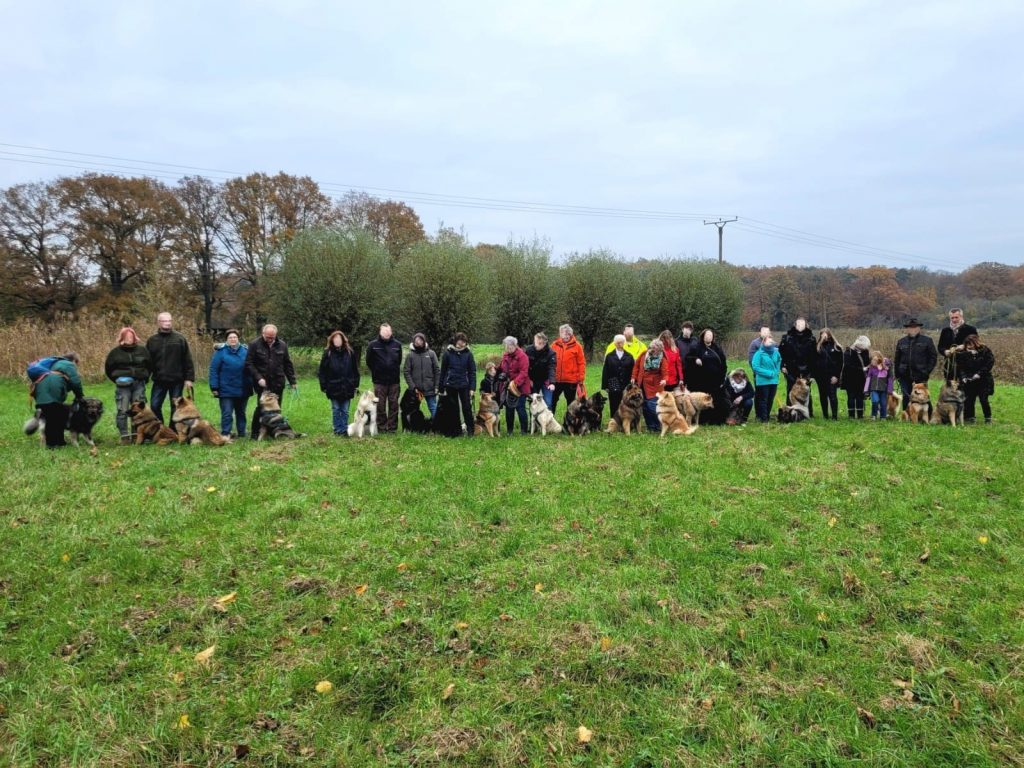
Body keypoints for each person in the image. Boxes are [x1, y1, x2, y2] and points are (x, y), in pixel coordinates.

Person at [245, 324, 297, 439]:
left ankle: (273, 431)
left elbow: (287, 364)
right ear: (263, 334)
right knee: (261, 408)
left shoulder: (282, 345)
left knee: (276, 409)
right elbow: (249, 363)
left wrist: (292, 381)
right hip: (262, 383)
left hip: (278, 381)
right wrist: (258, 378)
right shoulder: (254, 344)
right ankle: (255, 433)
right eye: (268, 337)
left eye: (272, 337)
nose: (270, 339)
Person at [104, 326, 150, 444]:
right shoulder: (115, 353)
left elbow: (150, 365)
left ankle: (136, 435)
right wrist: (117, 379)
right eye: (127, 336)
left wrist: (145, 378)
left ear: (135, 337)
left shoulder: (143, 350)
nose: (129, 338)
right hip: (123, 386)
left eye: (131, 336)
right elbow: (108, 369)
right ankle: (124, 436)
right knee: (122, 410)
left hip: (139, 384)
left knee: (139, 410)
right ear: (122, 338)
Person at [146, 312, 194, 423]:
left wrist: (189, 378)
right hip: (159, 380)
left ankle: (173, 431)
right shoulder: (152, 340)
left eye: (169, 321)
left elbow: (187, 359)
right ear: (158, 323)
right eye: (164, 321)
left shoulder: (179, 339)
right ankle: (161, 428)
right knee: (154, 405)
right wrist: (144, 377)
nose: (167, 323)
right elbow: (147, 361)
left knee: (176, 407)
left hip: (177, 380)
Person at [30, 351, 85, 449]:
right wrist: (80, 396)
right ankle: (53, 444)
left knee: (52, 416)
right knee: (56, 417)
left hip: (39, 390)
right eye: (77, 363)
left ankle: (57, 442)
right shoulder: (68, 364)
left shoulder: (53, 364)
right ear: (74, 361)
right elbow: (75, 382)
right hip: (52, 391)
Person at [209, 329, 252, 439]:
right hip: (225, 389)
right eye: (230, 338)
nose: (233, 339)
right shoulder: (220, 352)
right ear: (227, 340)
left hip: (243, 388)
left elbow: (252, 367)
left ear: (238, 339)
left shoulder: (246, 351)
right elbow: (214, 370)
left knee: (241, 412)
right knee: (227, 413)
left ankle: (242, 433)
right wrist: (214, 387)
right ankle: (225, 433)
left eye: (235, 337)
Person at [318, 330, 360, 436]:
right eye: (335, 339)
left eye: (339, 339)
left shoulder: (350, 352)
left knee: (345, 410)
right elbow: (322, 371)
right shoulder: (328, 353)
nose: (337, 341)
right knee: (336, 409)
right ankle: (337, 429)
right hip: (332, 386)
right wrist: (324, 386)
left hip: (348, 385)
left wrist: (355, 384)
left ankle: (344, 429)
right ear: (332, 340)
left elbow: (355, 370)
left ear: (343, 340)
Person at [684, 328, 728, 424]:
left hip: (715, 382)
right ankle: (701, 420)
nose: (709, 337)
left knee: (714, 401)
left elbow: (723, 364)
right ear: (703, 336)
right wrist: (695, 359)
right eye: (707, 335)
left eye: (711, 335)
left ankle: (715, 420)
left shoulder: (717, 348)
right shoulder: (696, 347)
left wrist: (721, 379)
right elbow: (687, 358)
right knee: (701, 401)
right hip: (700, 382)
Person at [893, 318, 938, 411]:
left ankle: (927, 415)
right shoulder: (901, 342)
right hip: (904, 374)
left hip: (921, 373)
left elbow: (933, 357)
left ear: (919, 328)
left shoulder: (927, 340)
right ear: (907, 329)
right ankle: (906, 415)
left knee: (923, 396)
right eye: (910, 327)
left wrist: (927, 371)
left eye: (915, 327)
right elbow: (897, 359)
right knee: (906, 396)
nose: (913, 329)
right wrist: (897, 373)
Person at [365, 323, 403, 433]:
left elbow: (399, 361)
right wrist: (377, 370)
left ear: (391, 332)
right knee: (380, 405)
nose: (386, 333)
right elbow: (369, 361)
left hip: (394, 381)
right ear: (380, 332)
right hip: (379, 381)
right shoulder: (373, 345)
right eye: (384, 331)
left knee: (394, 405)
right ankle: (381, 427)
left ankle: (392, 428)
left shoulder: (397, 345)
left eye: (388, 330)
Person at [439, 332, 477, 436]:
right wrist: (441, 387)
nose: (463, 343)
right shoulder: (447, 353)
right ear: (456, 341)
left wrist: (472, 388)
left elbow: (472, 372)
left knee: (467, 408)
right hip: (450, 384)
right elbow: (443, 371)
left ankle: (470, 431)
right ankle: (456, 431)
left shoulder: (468, 354)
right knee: (453, 409)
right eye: (461, 341)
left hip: (464, 385)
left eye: (464, 341)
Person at [779, 317, 816, 416]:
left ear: (805, 325)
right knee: (791, 390)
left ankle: (807, 413)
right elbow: (781, 354)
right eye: (798, 324)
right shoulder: (787, 338)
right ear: (795, 325)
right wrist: (782, 366)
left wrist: (812, 373)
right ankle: (790, 412)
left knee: (807, 391)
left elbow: (814, 357)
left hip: (806, 370)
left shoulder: (811, 339)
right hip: (791, 369)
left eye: (802, 324)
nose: (800, 326)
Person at [955, 334, 994, 423]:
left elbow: (989, 364)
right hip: (969, 379)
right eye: (967, 344)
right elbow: (961, 368)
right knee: (969, 399)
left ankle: (988, 417)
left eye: (971, 344)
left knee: (983, 399)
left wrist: (979, 374)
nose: (969, 346)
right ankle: (970, 417)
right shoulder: (963, 354)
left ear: (976, 343)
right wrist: (963, 377)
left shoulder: (985, 351)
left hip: (983, 379)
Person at [631, 338, 668, 432]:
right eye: (652, 347)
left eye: (655, 348)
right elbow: (636, 366)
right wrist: (633, 377)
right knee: (644, 407)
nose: (652, 349)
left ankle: (658, 426)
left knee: (652, 407)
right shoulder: (644, 353)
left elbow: (665, 372)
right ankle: (650, 426)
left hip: (655, 385)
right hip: (641, 383)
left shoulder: (662, 358)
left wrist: (664, 380)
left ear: (659, 349)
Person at [551, 324, 587, 416]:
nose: (566, 336)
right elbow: (549, 361)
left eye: (568, 334)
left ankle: (570, 423)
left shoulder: (577, 346)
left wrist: (581, 378)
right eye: (563, 333)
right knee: (552, 401)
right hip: (556, 379)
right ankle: (550, 422)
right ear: (560, 334)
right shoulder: (554, 345)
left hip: (571, 380)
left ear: (571, 334)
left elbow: (581, 363)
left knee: (571, 403)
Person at [498, 336, 531, 434]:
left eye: (510, 346)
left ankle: (524, 431)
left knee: (520, 408)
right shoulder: (505, 356)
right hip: (508, 386)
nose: (508, 349)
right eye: (506, 346)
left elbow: (524, 372)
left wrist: (515, 383)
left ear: (515, 345)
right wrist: (496, 371)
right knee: (509, 408)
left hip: (521, 386)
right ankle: (509, 431)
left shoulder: (522, 356)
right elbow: (502, 367)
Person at [403, 332, 440, 419]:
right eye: (417, 340)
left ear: (424, 341)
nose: (419, 342)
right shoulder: (410, 355)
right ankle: (415, 428)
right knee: (414, 409)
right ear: (414, 342)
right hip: (416, 390)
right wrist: (413, 387)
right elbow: (406, 372)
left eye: (420, 340)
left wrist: (436, 386)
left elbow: (437, 370)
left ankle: (436, 427)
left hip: (430, 388)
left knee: (433, 408)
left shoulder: (431, 354)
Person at [938, 308, 979, 379]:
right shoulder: (945, 331)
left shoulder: (971, 329)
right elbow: (940, 346)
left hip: (966, 365)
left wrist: (964, 346)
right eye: (952, 318)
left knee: (966, 388)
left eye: (956, 317)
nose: (954, 320)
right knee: (950, 388)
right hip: (950, 366)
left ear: (961, 317)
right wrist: (945, 351)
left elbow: (977, 344)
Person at [601, 334, 635, 418]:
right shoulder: (609, 356)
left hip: (626, 383)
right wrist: (605, 386)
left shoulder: (630, 356)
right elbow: (605, 371)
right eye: (618, 342)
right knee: (614, 403)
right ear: (615, 343)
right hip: (613, 383)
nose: (620, 344)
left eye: (621, 342)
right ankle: (614, 422)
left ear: (624, 343)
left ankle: (626, 422)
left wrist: (634, 384)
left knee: (626, 404)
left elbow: (633, 371)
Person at [814, 329, 844, 421]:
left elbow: (840, 363)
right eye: (821, 334)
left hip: (832, 376)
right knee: (823, 396)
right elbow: (814, 362)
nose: (823, 336)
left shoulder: (836, 347)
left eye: (825, 334)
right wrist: (814, 376)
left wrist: (836, 376)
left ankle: (834, 416)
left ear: (829, 335)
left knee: (832, 395)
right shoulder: (817, 347)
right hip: (821, 376)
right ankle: (825, 415)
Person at [751, 336, 781, 423]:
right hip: (763, 381)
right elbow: (755, 367)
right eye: (768, 342)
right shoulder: (759, 353)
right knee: (763, 399)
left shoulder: (776, 352)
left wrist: (777, 370)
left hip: (774, 380)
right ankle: (763, 418)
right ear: (763, 342)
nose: (770, 343)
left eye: (772, 342)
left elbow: (779, 360)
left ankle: (767, 415)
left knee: (770, 399)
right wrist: (769, 373)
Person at [842, 335, 871, 419]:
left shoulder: (865, 352)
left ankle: (860, 415)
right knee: (851, 396)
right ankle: (851, 415)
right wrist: (862, 369)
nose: (864, 348)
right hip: (849, 378)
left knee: (860, 397)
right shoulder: (848, 352)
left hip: (861, 379)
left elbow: (867, 362)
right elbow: (848, 366)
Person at [525, 332, 557, 408]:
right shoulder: (529, 350)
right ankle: (533, 419)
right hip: (533, 380)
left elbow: (551, 368)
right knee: (533, 403)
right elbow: (525, 366)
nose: (536, 345)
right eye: (536, 342)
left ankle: (548, 419)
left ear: (544, 343)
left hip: (546, 380)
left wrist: (552, 382)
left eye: (540, 343)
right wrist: (528, 379)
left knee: (548, 403)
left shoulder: (551, 353)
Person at [864, 352, 894, 419]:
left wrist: (890, 389)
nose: (872, 361)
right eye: (871, 360)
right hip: (873, 389)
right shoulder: (871, 368)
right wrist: (866, 390)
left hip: (883, 389)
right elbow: (868, 379)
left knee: (883, 404)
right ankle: (873, 415)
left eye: (874, 360)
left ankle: (883, 416)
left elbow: (890, 379)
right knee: (875, 401)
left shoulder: (887, 367)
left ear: (879, 359)